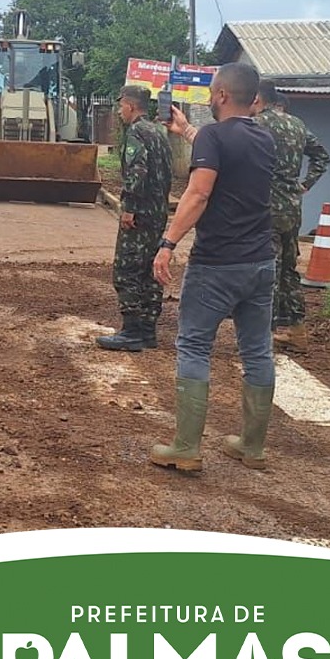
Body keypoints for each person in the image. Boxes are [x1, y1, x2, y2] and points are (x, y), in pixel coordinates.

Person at [150, 62, 276, 471]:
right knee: (257, 351)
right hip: (260, 262)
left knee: (193, 346)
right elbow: (222, 151)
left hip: (217, 264)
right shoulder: (265, 138)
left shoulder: (215, 137)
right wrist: (188, 131)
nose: (208, 96)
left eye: (211, 90)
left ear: (221, 95)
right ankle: (251, 447)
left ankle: (186, 447)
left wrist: (168, 243)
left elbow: (199, 193)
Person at [251, 80, 330, 352]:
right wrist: (306, 183)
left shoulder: (257, 125)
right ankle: (297, 330)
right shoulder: (297, 125)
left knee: (266, 269)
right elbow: (322, 157)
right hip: (292, 208)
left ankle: (265, 334)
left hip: (265, 208)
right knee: (288, 270)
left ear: (257, 99)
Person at [96, 86, 173, 351]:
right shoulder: (158, 132)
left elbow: (138, 170)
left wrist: (129, 206)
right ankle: (148, 331)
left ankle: (131, 332)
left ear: (129, 105)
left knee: (127, 269)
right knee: (150, 271)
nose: (119, 112)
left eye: (120, 107)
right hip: (157, 212)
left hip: (139, 213)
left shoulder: (137, 132)